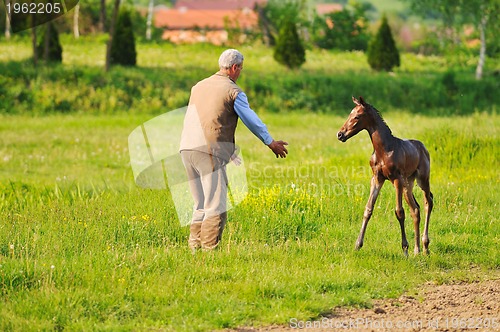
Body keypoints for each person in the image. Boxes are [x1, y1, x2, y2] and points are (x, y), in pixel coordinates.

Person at [180, 49, 289, 251]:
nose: (240, 73)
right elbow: (251, 120)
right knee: (215, 205)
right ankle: (209, 252)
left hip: (186, 149)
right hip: (209, 151)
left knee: (200, 204)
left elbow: (206, 118)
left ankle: (194, 249)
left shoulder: (198, 86)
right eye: (240, 69)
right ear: (234, 67)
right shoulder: (233, 91)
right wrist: (270, 141)